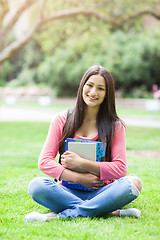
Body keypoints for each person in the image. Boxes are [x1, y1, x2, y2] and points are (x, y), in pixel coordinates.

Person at [24, 65, 142, 222]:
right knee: (36, 185)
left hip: (103, 191)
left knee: (134, 183)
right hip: (66, 191)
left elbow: (121, 168)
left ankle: (59, 216)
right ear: (82, 86)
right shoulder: (61, 119)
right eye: (90, 85)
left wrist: (82, 163)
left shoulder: (115, 126)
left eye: (101, 88)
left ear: (107, 94)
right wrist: (78, 178)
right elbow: (44, 161)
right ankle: (107, 210)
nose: (93, 92)